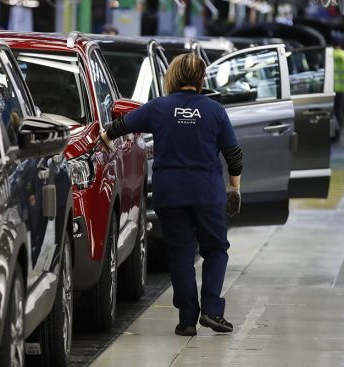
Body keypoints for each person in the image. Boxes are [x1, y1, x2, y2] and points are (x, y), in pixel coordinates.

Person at [98, 53, 243, 336]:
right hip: (207, 193)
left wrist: (103, 142)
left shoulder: (159, 107)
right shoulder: (215, 110)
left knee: (181, 253)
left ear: (173, 76)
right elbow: (233, 154)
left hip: (170, 193)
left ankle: (187, 319)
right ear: (201, 79)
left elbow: (120, 126)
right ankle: (212, 310)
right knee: (215, 249)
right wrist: (235, 188)